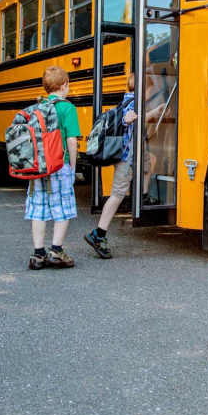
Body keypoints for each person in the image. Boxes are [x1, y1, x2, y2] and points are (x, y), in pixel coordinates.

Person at [85, 71, 164, 258]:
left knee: (146, 165)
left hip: (130, 155)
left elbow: (137, 118)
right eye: (150, 89)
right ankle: (98, 233)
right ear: (144, 89)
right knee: (117, 194)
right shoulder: (132, 103)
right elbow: (128, 118)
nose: (150, 92)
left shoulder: (129, 100)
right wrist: (130, 118)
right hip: (125, 157)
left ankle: (144, 196)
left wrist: (154, 112)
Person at [26, 66, 81, 270]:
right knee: (63, 208)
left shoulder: (37, 107)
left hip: (37, 166)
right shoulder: (67, 108)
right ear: (64, 84)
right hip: (59, 165)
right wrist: (73, 167)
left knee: (38, 208)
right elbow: (72, 141)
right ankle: (56, 251)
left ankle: (38, 254)